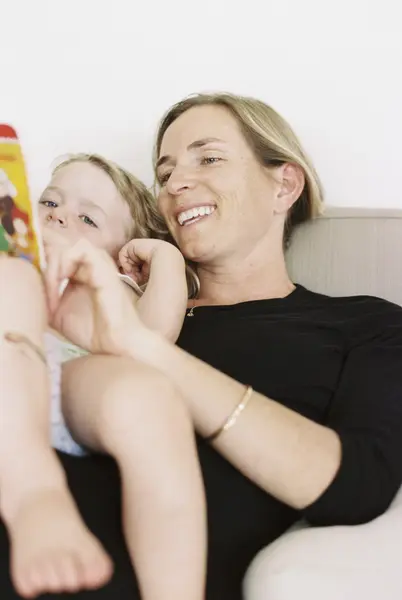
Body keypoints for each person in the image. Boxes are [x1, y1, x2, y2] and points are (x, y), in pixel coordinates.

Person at [1, 91, 402, 600]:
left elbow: (356, 485)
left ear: (285, 184)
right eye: (164, 174)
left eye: (208, 158)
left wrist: (141, 347)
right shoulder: (104, 296)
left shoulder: (361, 324)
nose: (177, 184)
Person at [0, 154, 206, 599]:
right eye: (49, 202)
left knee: (150, 395)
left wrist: (166, 259)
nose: (57, 216)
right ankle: (35, 494)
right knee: (9, 280)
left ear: (124, 256)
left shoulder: (114, 281)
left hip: (76, 379)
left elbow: (151, 340)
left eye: (87, 218)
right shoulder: (14, 257)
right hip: (11, 374)